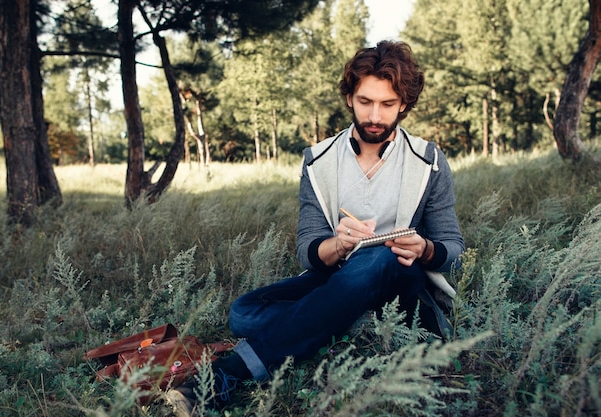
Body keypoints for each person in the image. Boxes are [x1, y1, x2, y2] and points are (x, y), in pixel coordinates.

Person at [166, 40, 465, 416]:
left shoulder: (429, 160)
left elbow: (452, 245)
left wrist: (424, 248)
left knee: (376, 259)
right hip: (339, 277)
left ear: (404, 104)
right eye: (365, 101)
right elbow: (308, 247)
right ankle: (346, 321)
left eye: (388, 104)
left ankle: (229, 374)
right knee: (243, 313)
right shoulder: (318, 161)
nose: (375, 114)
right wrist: (338, 245)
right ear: (349, 98)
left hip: (402, 284)